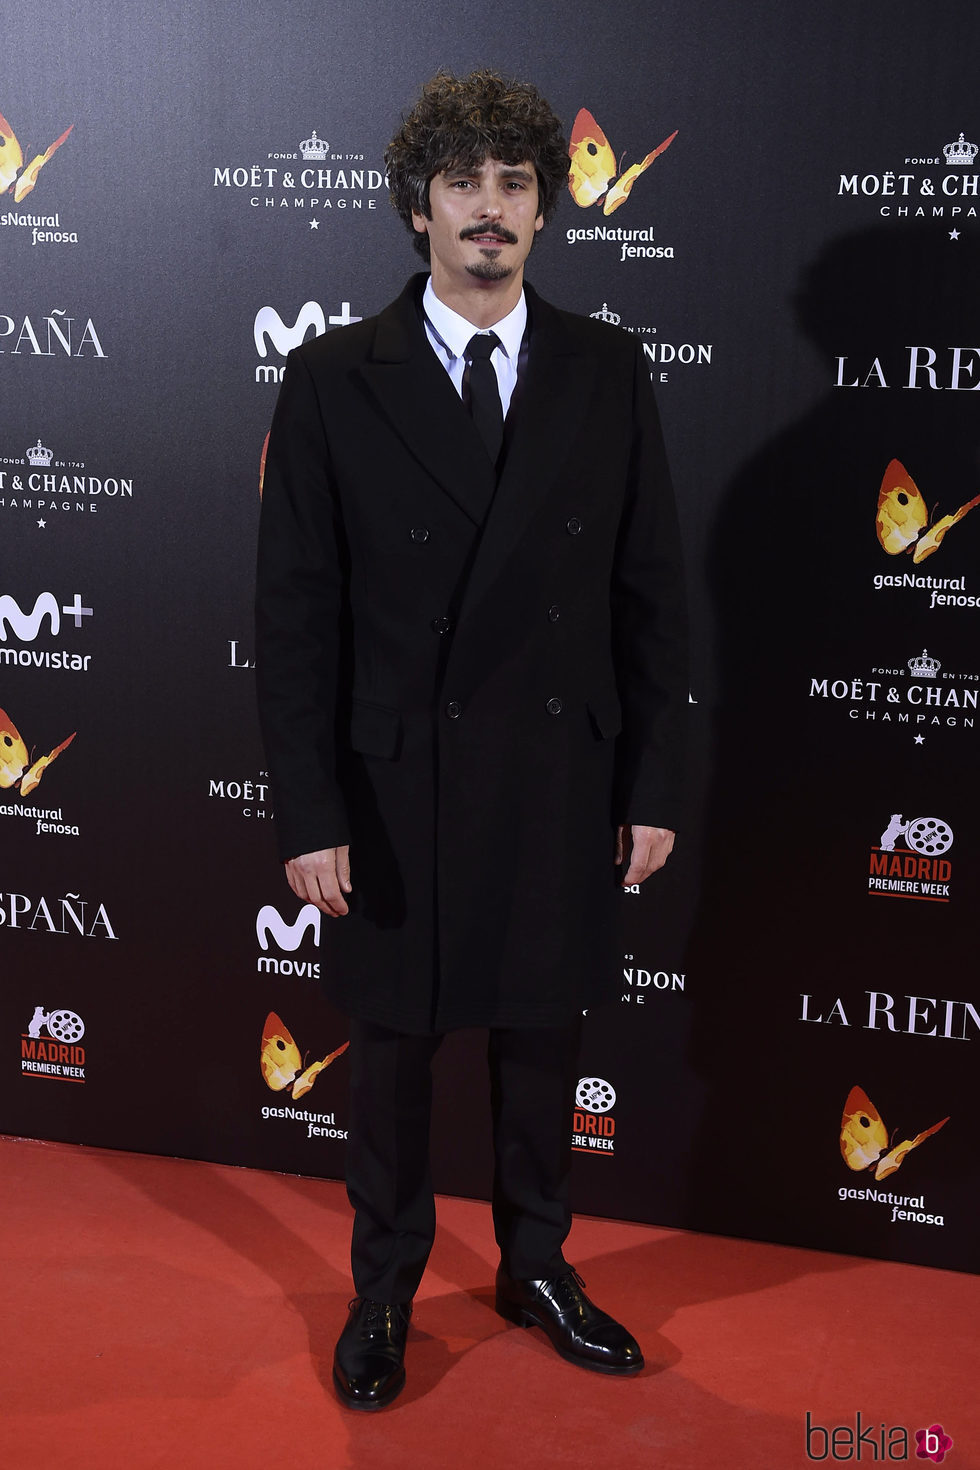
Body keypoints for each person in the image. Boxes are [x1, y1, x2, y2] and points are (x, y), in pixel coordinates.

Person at [255, 69, 688, 1411]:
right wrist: (310, 809)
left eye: (514, 186)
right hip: (396, 783)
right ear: (417, 208)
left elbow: (650, 593)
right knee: (388, 1055)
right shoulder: (333, 376)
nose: (489, 211)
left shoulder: (609, 368)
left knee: (541, 1031)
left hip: (560, 771)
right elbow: (296, 615)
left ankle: (537, 1263)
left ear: (547, 212)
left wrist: (652, 781)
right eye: (464, 186)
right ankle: (383, 1282)